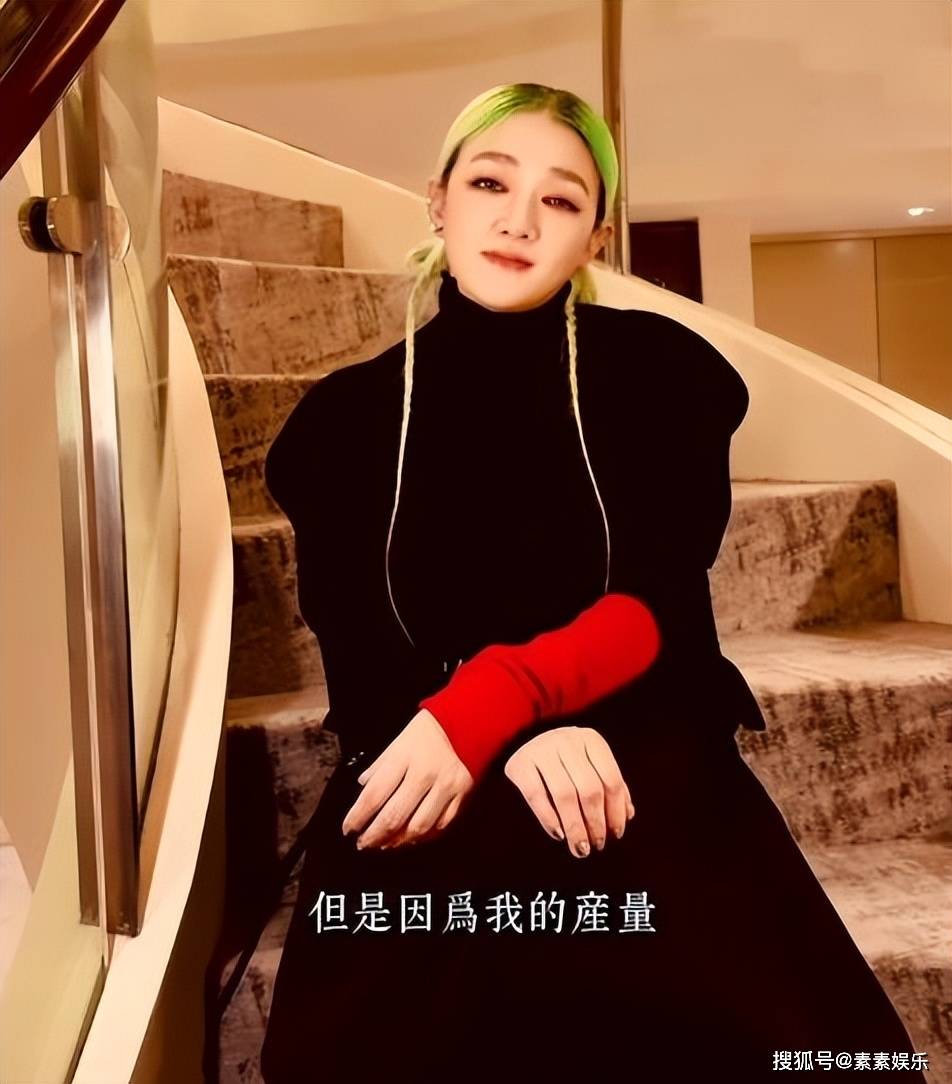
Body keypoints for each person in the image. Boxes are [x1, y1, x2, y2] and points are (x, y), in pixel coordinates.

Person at [259, 83, 926, 1082]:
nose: (519, 220)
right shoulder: (341, 422)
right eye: (491, 183)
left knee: (785, 1026)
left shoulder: (662, 374)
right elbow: (359, 649)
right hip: (425, 741)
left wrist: (511, 697)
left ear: (594, 238)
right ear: (438, 201)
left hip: (636, 725)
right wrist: (485, 732)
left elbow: (657, 604)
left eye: (561, 199)